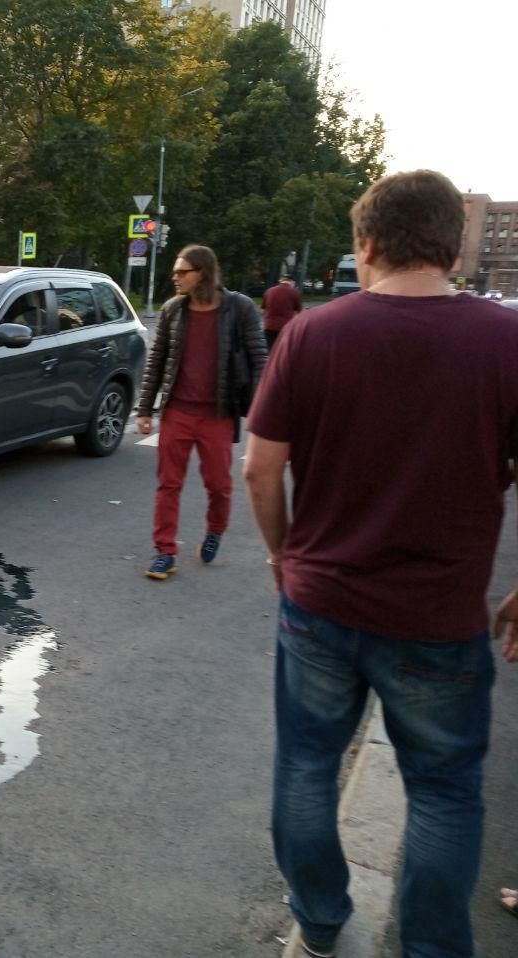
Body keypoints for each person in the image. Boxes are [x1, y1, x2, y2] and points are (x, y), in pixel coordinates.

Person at [243, 169, 518, 958]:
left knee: (304, 768)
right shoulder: (504, 341)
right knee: (442, 793)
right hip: (440, 622)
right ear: (453, 243)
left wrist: (283, 552)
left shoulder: (314, 334)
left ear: (367, 243)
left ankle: (322, 919)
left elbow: (260, 471)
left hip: (321, 608)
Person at [135, 244, 267, 580]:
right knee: (168, 484)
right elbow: (156, 360)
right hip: (178, 411)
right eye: (175, 272)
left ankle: (215, 531)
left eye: (183, 271)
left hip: (218, 414)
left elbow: (258, 358)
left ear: (203, 273)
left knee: (220, 485)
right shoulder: (171, 311)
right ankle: (164, 551)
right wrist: (146, 407)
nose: (175, 277)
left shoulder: (238, 309)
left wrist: (263, 408)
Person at [261, 275, 303, 352]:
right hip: (285, 327)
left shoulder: (269, 291)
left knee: (270, 352)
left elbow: (263, 310)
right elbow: (299, 312)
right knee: (282, 352)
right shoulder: (294, 292)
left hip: (269, 327)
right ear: (292, 282)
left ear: (281, 281)